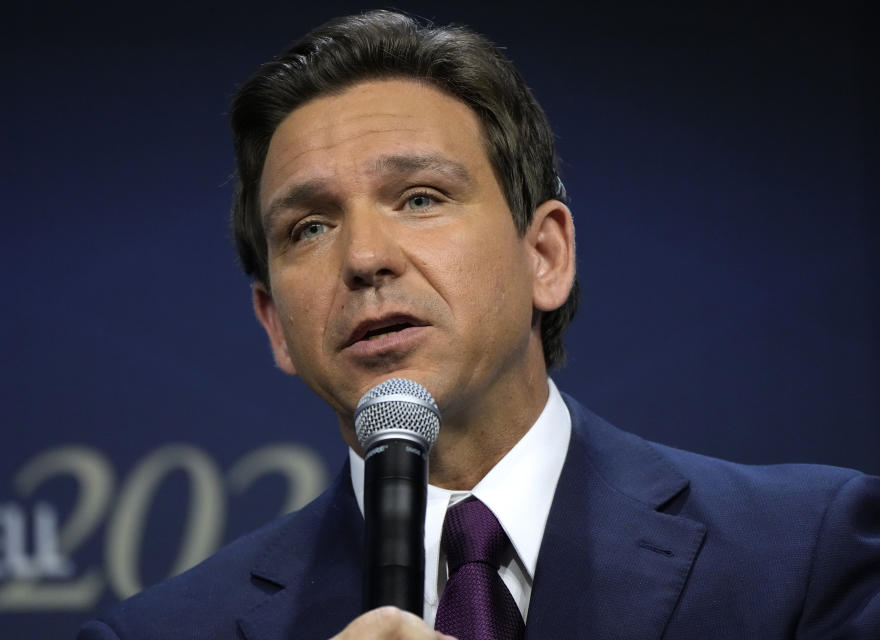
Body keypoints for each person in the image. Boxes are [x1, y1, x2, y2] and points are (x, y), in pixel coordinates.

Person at [78, 10, 880, 639]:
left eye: (420, 198)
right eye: (309, 228)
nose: (364, 257)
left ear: (546, 253)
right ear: (275, 325)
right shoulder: (161, 632)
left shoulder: (805, 555)